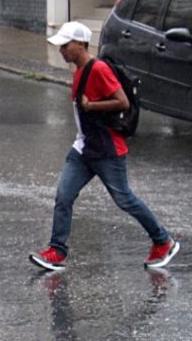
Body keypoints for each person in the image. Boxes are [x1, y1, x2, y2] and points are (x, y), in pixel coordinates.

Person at [29, 22, 179, 272]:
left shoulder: (98, 69)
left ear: (81, 45)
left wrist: (92, 106)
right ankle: (56, 251)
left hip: (106, 149)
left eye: (66, 46)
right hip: (83, 148)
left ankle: (163, 242)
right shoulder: (78, 70)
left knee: (124, 199)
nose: (62, 51)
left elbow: (122, 102)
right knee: (63, 196)